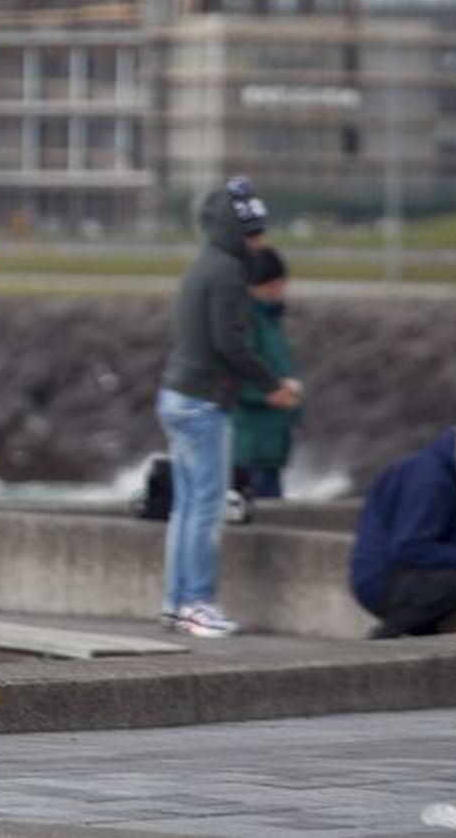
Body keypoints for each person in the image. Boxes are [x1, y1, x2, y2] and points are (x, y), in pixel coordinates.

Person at [157, 177, 301, 638]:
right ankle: (199, 604)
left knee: (184, 508)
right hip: (202, 404)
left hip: (177, 396)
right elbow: (231, 344)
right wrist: (271, 385)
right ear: (236, 232)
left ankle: (176, 605)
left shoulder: (207, 263)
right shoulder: (228, 271)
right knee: (204, 509)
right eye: (254, 232)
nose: (260, 241)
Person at [350, 420, 456, 639]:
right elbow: (408, 546)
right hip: (382, 578)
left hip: (410, 573)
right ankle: (384, 637)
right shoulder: (430, 481)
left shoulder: (452, 475)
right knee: (451, 584)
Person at [231, 247, 301, 500]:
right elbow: (237, 371)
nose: (279, 289)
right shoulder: (246, 319)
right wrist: (273, 392)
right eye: (273, 283)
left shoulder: (270, 319)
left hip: (272, 444)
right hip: (251, 446)